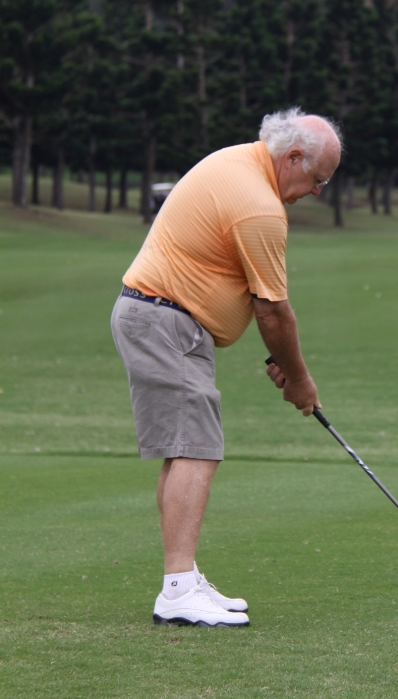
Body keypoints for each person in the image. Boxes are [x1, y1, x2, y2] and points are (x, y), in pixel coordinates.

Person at [111, 107, 342, 628]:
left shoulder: (238, 162)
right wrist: (300, 381)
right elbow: (273, 311)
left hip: (162, 318)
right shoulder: (259, 205)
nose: (317, 191)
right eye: (318, 179)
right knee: (197, 447)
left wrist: (283, 361)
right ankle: (177, 590)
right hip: (165, 319)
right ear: (294, 157)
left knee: (186, 447)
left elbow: (236, 281)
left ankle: (184, 578)